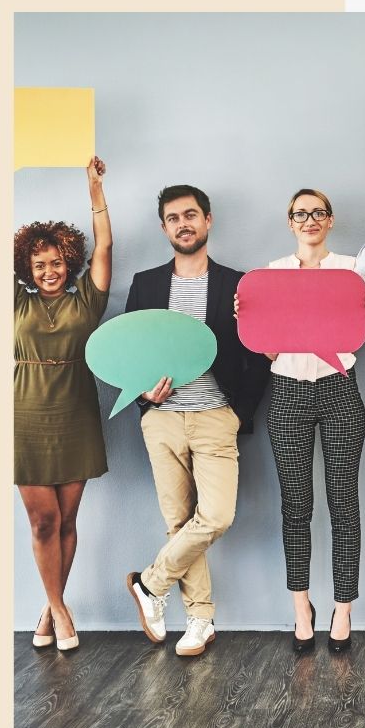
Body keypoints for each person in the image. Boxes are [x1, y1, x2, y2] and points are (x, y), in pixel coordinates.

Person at [124, 185, 270, 656]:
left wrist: (237, 410)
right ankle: (201, 619)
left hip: (214, 416)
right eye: (173, 217)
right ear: (164, 227)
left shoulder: (238, 284)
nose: (183, 223)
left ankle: (151, 582)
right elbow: (132, 352)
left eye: (191, 215)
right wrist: (144, 392)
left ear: (208, 221)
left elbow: (257, 353)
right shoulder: (145, 284)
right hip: (161, 419)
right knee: (178, 521)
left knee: (216, 515)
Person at [262, 188, 365, 653]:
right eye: (301, 213)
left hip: (340, 391)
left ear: (330, 220)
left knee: (343, 504)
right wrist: (251, 323)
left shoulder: (349, 271)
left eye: (318, 213)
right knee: (295, 507)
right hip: (288, 391)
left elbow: (357, 326)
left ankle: (343, 608)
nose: (309, 219)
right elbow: (269, 346)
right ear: (290, 221)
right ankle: (301, 606)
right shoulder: (272, 274)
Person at [14, 156, 112, 653]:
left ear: (68, 263)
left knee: (68, 521)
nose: (49, 271)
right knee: (43, 521)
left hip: (76, 411)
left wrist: (95, 192)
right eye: (39, 265)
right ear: (27, 270)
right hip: (23, 415)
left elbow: (106, 246)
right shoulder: (14, 302)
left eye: (56, 263)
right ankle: (59, 609)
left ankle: (50, 607)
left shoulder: (86, 301)